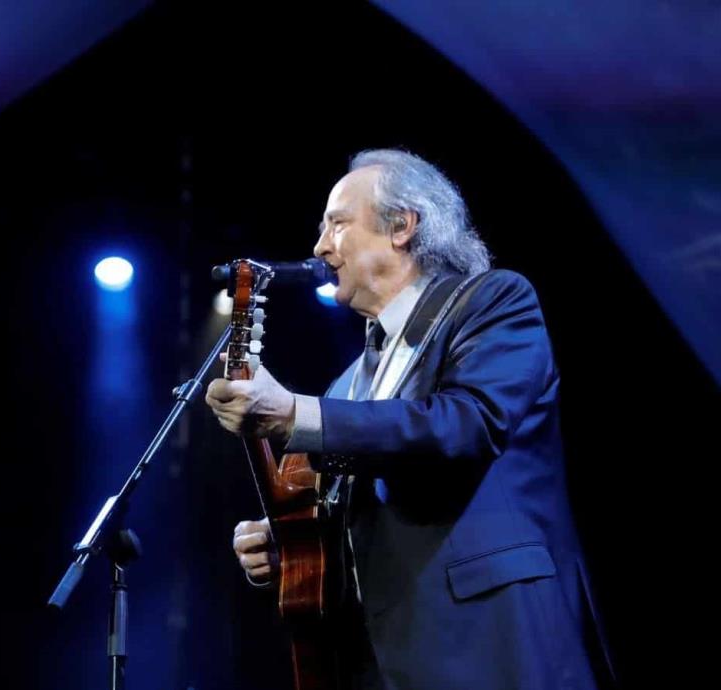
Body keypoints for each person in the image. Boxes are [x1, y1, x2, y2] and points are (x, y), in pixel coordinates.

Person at [205, 149, 615, 689]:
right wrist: (293, 548)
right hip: (378, 659)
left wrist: (293, 412)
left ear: (402, 226)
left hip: (488, 641)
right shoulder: (347, 383)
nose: (320, 246)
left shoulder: (492, 302)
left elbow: (468, 424)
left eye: (337, 224)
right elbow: (359, 516)